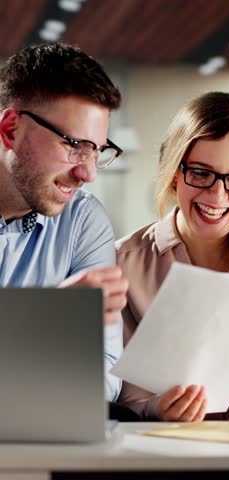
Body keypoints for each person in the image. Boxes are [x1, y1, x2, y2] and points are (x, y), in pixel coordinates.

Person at [116, 91, 229, 421]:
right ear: (174, 172)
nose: (217, 195)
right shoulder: (122, 263)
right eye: (200, 173)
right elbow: (118, 392)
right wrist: (155, 407)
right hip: (160, 455)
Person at [0, 41, 129, 404]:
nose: (87, 173)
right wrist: (52, 321)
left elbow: (104, 376)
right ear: (11, 129)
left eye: (97, 151)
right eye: (74, 145)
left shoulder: (83, 221)